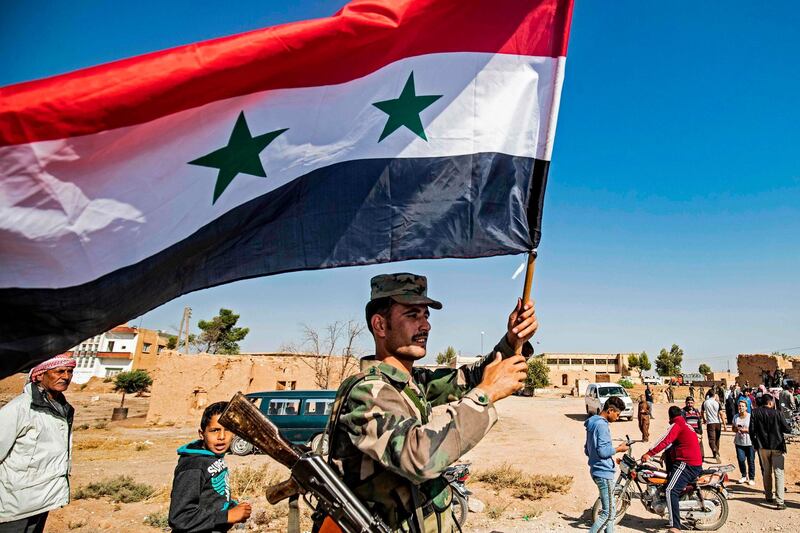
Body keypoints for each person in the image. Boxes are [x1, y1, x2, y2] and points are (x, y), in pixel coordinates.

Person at [322, 273, 537, 532]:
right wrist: (485, 395)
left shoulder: (412, 383)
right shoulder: (367, 392)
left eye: (426, 316)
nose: (425, 326)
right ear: (380, 325)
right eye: (413, 315)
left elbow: (471, 376)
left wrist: (513, 339)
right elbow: (419, 457)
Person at [0, 354, 76, 533]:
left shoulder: (63, 409)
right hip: (15, 503)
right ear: (40, 375)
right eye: (59, 371)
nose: (66, 376)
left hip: (44, 499)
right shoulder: (19, 409)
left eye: (70, 371)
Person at [168, 402, 252, 532]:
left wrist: (232, 507)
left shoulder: (212, 457)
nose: (222, 437)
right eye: (215, 430)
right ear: (202, 434)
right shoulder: (193, 466)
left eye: (228, 429)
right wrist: (227, 516)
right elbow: (180, 518)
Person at [641, 406, 702, 533]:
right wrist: (665, 453)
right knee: (668, 485)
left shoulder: (677, 424)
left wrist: (649, 453)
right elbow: (677, 443)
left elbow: (665, 440)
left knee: (670, 490)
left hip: (686, 464)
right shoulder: (685, 425)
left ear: (670, 417)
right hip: (691, 463)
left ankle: (676, 526)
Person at [584, 396, 629, 533]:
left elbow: (587, 450)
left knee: (611, 510)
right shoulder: (602, 425)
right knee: (608, 513)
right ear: (610, 410)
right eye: (617, 414)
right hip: (603, 472)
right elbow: (603, 452)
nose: (617, 417)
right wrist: (619, 449)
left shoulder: (592, 423)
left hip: (597, 470)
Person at [749, 394, 791, 510]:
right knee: (779, 473)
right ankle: (780, 501)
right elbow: (787, 429)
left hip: (762, 446)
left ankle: (768, 495)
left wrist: (755, 444)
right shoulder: (777, 413)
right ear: (770, 402)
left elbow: (751, 430)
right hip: (777, 446)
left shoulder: (755, 412)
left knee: (766, 471)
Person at [732, 399, 755, 485]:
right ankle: (743, 475)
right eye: (739, 406)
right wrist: (736, 428)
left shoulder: (750, 416)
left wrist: (746, 430)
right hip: (739, 442)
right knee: (741, 459)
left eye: (742, 406)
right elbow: (733, 429)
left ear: (746, 407)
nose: (740, 407)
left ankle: (752, 478)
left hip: (750, 442)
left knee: (751, 460)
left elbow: (755, 429)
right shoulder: (735, 417)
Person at [701, 391, 725, 463]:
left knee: (711, 439)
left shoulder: (705, 403)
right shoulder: (717, 403)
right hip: (718, 423)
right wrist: (724, 424)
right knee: (717, 439)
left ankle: (715, 452)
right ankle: (716, 453)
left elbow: (702, 412)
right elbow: (721, 413)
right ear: (714, 395)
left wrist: (704, 419)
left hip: (710, 423)